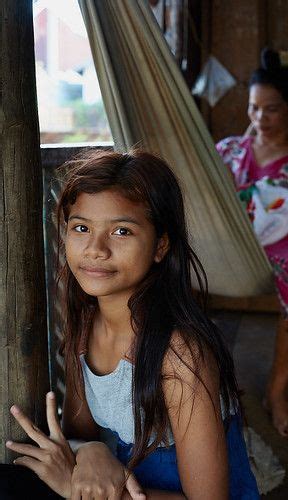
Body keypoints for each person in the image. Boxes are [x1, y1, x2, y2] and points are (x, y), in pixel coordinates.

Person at [5, 150, 259, 499]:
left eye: (121, 231)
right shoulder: (87, 322)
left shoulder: (180, 355)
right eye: (81, 228)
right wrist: (92, 451)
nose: (96, 249)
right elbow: (80, 431)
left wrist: (75, 487)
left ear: (160, 246)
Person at [216, 48, 288, 437]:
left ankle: (277, 392)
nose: (260, 119)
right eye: (254, 109)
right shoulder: (227, 152)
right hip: (235, 245)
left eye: (272, 109)